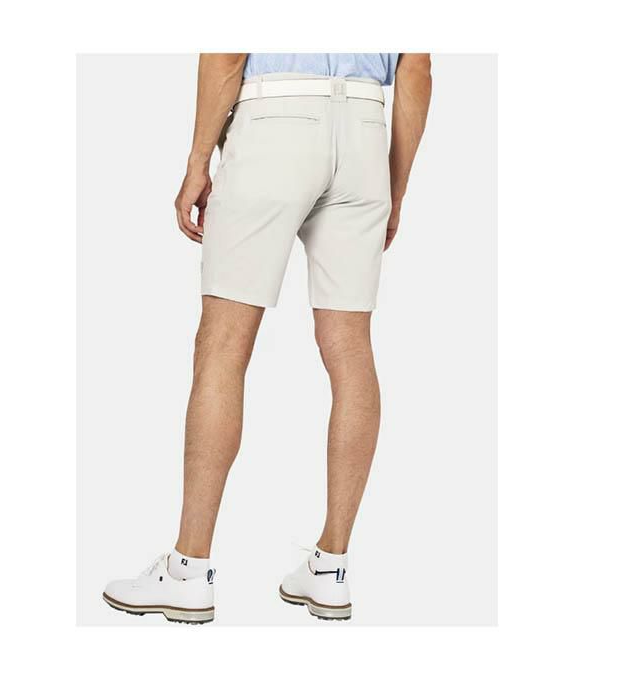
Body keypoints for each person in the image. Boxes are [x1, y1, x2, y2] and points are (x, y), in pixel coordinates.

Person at [103, 52, 432, 624]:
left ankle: (188, 572)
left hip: (274, 120)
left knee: (223, 346)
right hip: (365, 130)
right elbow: (417, 68)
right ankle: (331, 569)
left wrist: (197, 162)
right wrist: (395, 189)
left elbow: (228, 53)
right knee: (350, 348)